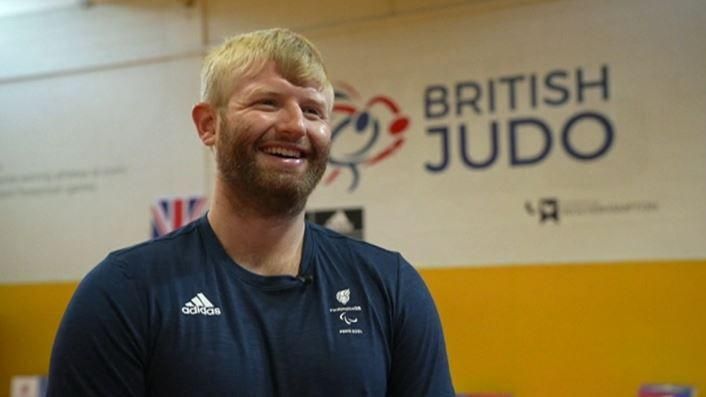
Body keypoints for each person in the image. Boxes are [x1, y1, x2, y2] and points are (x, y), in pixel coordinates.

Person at [48, 28, 455, 396]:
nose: (296, 125)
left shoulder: (391, 288)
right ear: (209, 124)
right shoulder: (124, 293)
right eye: (268, 102)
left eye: (313, 111)